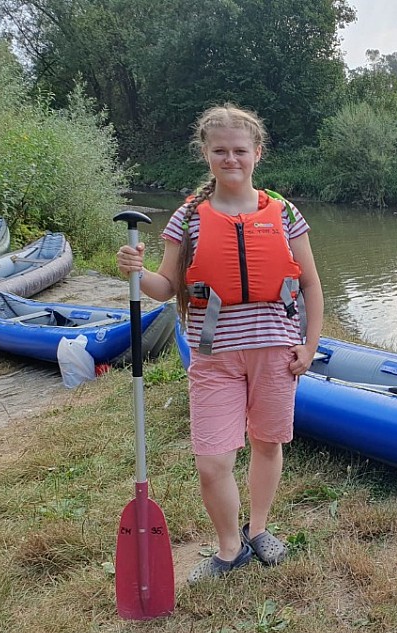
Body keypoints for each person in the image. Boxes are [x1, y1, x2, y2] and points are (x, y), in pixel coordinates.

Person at [116, 103, 324, 584]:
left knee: (267, 444)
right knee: (213, 461)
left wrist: (309, 345)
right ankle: (230, 549)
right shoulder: (187, 217)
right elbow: (166, 287)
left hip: (276, 350)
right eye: (220, 151)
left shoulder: (286, 213)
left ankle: (260, 529)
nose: (231, 159)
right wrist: (136, 271)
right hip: (215, 353)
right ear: (205, 154)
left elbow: (311, 285)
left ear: (257, 153)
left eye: (240, 150)